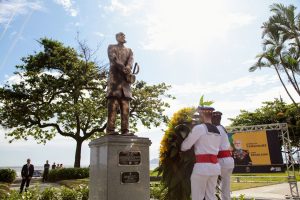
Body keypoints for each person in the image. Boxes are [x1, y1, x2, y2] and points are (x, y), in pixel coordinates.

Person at [181, 106, 221, 200]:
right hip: (215, 167)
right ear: (211, 115)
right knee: (210, 196)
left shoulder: (199, 128)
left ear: (202, 114)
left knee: (197, 197)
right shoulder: (217, 131)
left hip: (202, 168)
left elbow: (185, 146)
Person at [106, 32, 134, 136]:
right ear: (117, 38)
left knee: (126, 106)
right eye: (121, 35)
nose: (123, 37)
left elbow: (131, 60)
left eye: (124, 35)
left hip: (125, 83)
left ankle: (125, 130)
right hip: (114, 82)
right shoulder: (111, 47)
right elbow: (113, 59)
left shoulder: (129, 50)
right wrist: (124, 68)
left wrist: (128, 67)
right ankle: (110, 130)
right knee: (112, 106)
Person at [212, 111, 234, 200]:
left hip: (221, 160)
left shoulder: (216, 129)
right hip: (228, 160)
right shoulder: (222, 128)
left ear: (215, 119)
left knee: (212, 185)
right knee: (225, 186)